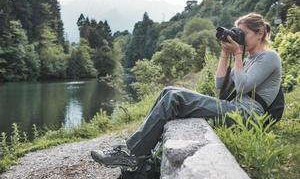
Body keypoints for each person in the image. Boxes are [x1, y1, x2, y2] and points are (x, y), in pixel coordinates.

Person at [90, 13, 282, 171]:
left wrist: (238, 54)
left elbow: (241, 87)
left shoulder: (269, 57)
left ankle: (131, 154)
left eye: (243, 33)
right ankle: (140, 154)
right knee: (169, 90)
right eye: (236, 33)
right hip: (235, 108)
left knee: (176, 97)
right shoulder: (248, 59)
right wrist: (225, 53)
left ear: (260, 33)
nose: (239, 37)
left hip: (248, 116)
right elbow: (219, 84)